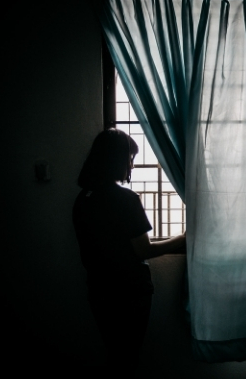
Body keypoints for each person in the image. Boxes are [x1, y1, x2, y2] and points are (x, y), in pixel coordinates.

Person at [72, 128, 185, 375]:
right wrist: (181, 239)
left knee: (116, 354)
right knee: (129, 357)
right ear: (116, 159)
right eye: (130, 157)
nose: (132, 164)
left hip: (99, 291)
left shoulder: (83, 199)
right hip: (129, 293)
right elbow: (143, 250)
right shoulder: (125, 199)